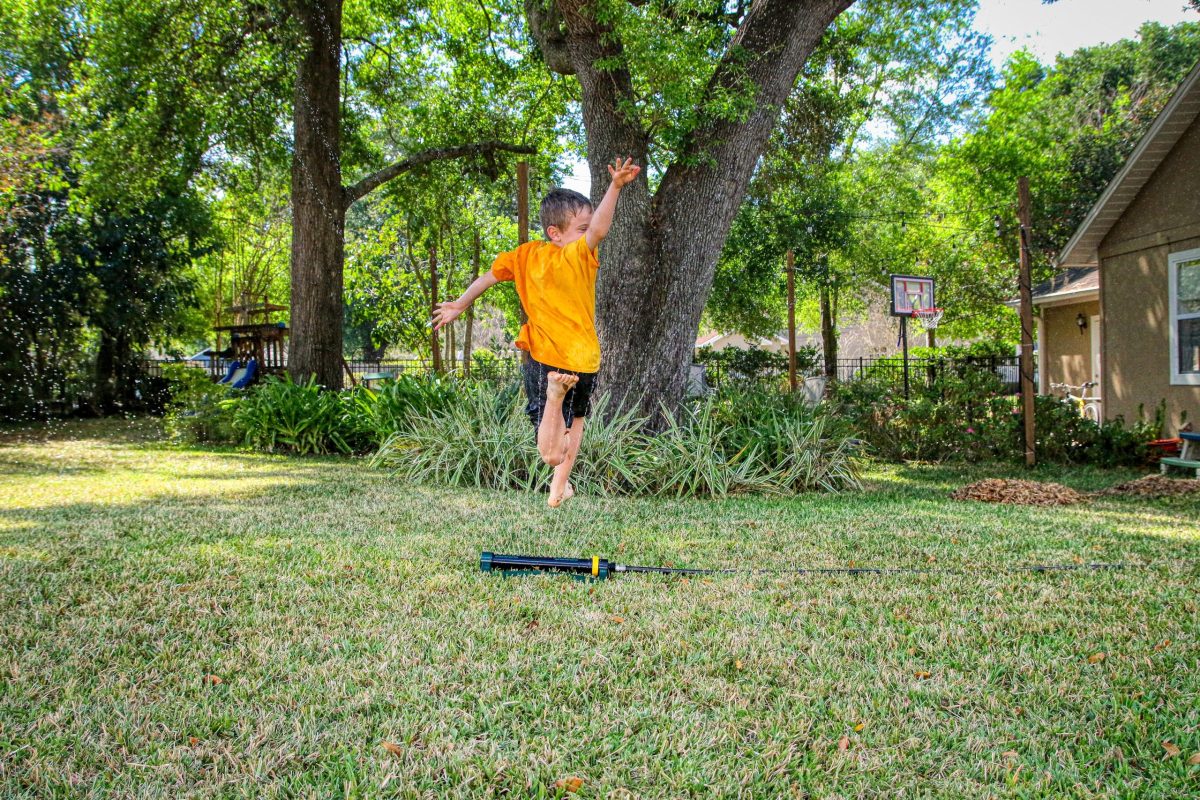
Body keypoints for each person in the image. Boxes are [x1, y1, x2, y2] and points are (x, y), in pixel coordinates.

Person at [433, 157, 641, 507]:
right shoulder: (567, 255)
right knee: (569, 430)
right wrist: (615, 187)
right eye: (580, 229)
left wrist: (461, 303)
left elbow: (489, 277)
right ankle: (558, 479)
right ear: (555, 233)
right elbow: (600, 230)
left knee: (559, 441)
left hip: (555, 358)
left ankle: (560, 478)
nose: (588, 236)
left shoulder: (529, 255)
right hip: (576, 357)